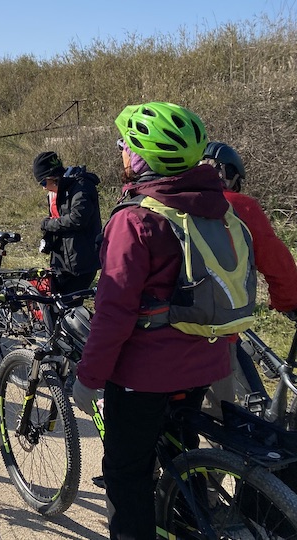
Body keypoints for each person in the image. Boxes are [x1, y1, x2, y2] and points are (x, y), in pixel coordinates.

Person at [73, 102, 236, 540]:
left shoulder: (136, 219)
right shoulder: (216, 205)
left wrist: (89, 379)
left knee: (126, 471)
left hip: (144, 375)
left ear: (140, 157)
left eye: (125, 144)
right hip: (208, 359)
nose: (121, 151)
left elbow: (113, 313)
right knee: (181, 446)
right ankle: (188, 522)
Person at [200, 141, 297, 417]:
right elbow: (276, 262)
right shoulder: (238, 206)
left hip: (162, 330)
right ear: (229, 175)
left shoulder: (162, 201)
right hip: (216, 330)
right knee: (218, 416)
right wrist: (287, 301)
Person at [32, 151, 102, 295]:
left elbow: (77, 219)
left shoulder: (82, 187)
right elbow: (58, 220)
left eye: (44, 182)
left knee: (72, 308)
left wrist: (47, 224)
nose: (44, 187)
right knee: (54, 307)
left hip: (82, 263)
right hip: (61, 261)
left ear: (53, 178)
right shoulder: (55, 192)